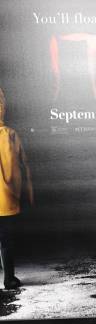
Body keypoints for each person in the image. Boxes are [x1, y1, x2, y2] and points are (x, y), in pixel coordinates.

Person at [0, 88, 33, 290]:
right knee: (5, 240)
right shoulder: (10, 135)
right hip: (4, 201)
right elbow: (21, 166)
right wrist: (26, 192)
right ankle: (9, 278)